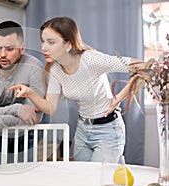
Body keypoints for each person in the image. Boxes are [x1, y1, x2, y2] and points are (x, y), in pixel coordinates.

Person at [9, 16, 146, 162]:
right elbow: (50, 107)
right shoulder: (55, 69)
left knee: (99, 180)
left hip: (108, 130)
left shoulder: (91, 60)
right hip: (82, 130)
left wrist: (119, 98)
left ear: (68, 44)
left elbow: (145, 67)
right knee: (81, 178)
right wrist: (29, 93)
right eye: (42, 41)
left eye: (51, 42)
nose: (44, 47)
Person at [0, 20, 45, 163]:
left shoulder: (35, 67)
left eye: (10, 49)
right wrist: (18, 109)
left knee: (26, 181)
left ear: (22, 49)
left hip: (24, 135)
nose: (2, 54)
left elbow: (33, 118)